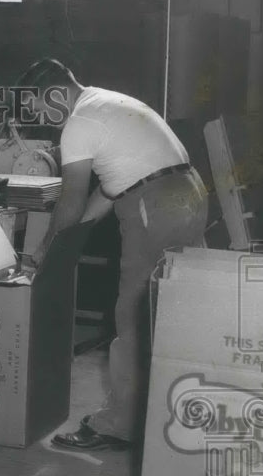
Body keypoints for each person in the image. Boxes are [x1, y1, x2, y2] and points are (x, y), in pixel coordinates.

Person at [19, 59, 208, 451]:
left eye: (38, 108)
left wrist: (43, 252)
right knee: (180, 309)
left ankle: (118, 426)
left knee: (134, 314)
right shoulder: (106, 102)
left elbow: (69, 203)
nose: (42, 119)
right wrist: (75, 238)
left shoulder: (79, 123)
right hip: (187, 193)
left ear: (55, 94)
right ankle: (186, 409)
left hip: (153, 206)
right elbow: (109, 187)